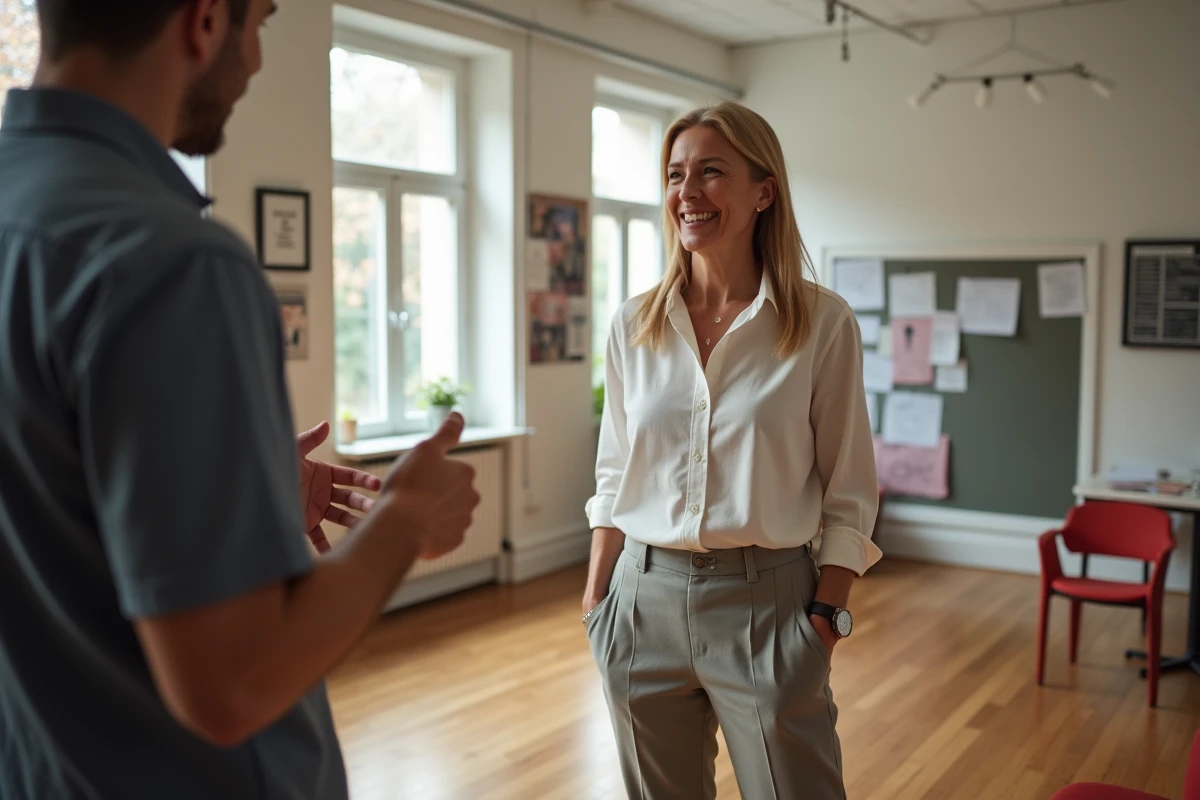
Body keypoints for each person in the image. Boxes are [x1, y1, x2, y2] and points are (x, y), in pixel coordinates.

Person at [0, 1, 479, 798]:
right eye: (259, 23)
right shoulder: (169, 260)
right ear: (205, 19)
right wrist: (406, 518)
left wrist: (227, 483)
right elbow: (232, 684)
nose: (255, 60)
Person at [582, 101, 883, 800]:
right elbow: (614, 471)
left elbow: (849, 492)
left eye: (711, 172)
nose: (687, 192)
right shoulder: (634, 324)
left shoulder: (821, 323)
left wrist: (824, 621)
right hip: (640, 601)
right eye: (675, 174)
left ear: (763, 192)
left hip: (769, 606)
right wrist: (599, 598)